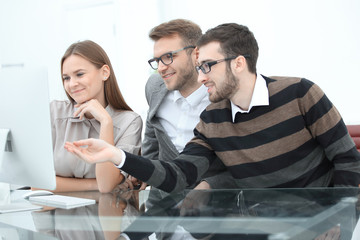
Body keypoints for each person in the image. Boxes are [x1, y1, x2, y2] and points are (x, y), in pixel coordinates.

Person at [64, 24, 360, 193]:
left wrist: (338, 217)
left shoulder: (301, 93)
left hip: (320, 224)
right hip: (263, 227)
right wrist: (116, 155)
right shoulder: (213, 118)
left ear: (239, 63)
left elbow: (347, 160)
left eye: (207, 66)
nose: (201, 75)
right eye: (199, 66)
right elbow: (178, 175)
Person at [129, 19, 224, 191]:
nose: (160, 68)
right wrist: (147, 171)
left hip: (215, 202)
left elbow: (240, 163)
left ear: (196, 54)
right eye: (157, 60)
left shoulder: (222, 95)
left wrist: (210, 186)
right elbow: (153, 133)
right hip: (163, 200)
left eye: (168, 57)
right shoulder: (155, 86)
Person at [47, 40, 142, 193]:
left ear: (104, 72)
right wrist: (93, 184)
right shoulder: (54, 112)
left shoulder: (129, 122)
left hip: (104, 214)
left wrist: (105, 122)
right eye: (66, 78)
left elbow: (106, 185)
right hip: (56, 213)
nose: (72, 84)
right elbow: (38, 184)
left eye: (79, 74)